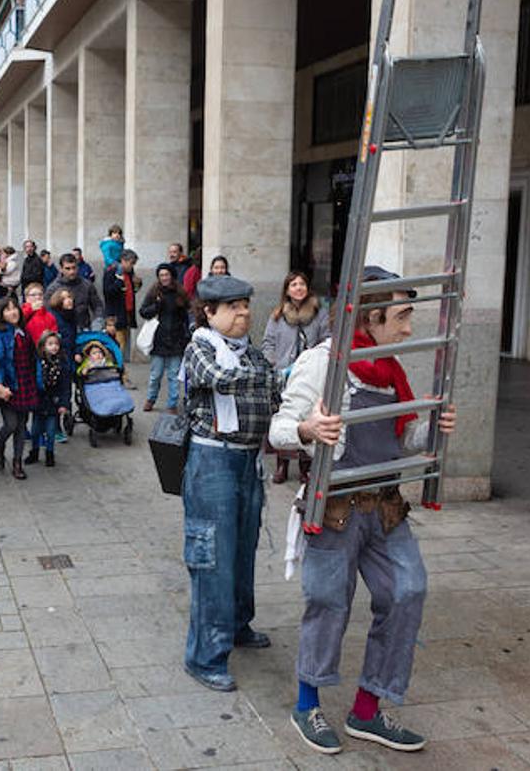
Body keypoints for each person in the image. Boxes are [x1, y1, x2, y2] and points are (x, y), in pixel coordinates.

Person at [271, 266, 456, 756]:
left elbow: (403, 438)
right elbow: (279, 429)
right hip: (334, 511)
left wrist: (436, 427)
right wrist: (308, 431)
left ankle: (368, 710)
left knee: (408, 590)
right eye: (401, 316)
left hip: (386, 509)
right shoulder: (322, 364)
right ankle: (306, 703)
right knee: (328, 603)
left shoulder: (390, 367)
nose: (408, 327)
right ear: (372, 315)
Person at [178, 274, 280, 693]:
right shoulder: (199, 347)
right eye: (234, 307)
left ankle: (239, 625)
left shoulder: (251, 352)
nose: (243, 313)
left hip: (247, 462)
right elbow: (221, 378)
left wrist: (273, 380)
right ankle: (205, 656)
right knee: (213, 559)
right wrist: (273, 378)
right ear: (210, 312)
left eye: (245, 305)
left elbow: (273, 394)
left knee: (242, 552)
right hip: (212, 462)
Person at [261, 271, 331, 484]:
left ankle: (305, 467)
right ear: (287, 290)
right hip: (284, 374)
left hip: (310, 373)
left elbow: (327, 338)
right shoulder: (277, 315)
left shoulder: (320, 313)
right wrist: (273, 362)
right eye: (294, 285)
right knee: (285, 417)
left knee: (307, 417)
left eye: (302, 284)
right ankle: (282, 465)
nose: (298, 288)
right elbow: (268, 343)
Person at [0, 297, 40, 480]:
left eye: (15, 308)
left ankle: (17, 462)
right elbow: (0, 362)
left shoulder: (24, 332)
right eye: (7, 310)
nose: (13, 312)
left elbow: (32, 359)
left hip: (26, 382)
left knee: (21, 425)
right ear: (1, 314)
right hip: (9, 385)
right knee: (11, 424)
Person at [139, 264, 190, 413]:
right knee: (156, 374)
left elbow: (186, 316)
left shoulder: (180, 293)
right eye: (161, 275)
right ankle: (150, 399)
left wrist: (187, 336)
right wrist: (156, 306)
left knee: (174, 376)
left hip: (176, 339)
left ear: (172, 276)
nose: (164, 278)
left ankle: (172, 404)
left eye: (166, 275)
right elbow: (143, 312)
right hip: (158, 339)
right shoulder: (154, 292)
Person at [26, 330, 71, 468]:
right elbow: (32, 380)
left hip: (54, 402)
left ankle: (50, 454)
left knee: (51, 431)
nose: (54, 347)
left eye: (56, 344)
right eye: (50, 344)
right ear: (43, 346)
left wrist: (64, 403)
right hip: (38, 401)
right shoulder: (37, 361)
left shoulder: (62, 364)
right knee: (35, 430)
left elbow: (65, 386)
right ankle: (34, 451)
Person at [102, 249, 140, 368]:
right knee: (117, 347)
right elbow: (107, 292)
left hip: (126, 314)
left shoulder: (129, 273)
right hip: (115, 315)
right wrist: (119, 282)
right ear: (123, 261)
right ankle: (117, 374)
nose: (132, 266)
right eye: (131, 263)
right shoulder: (111, 272)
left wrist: (137, 284)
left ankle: (121, 373)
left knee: (122, 347)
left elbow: (130, 292)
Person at [45, 254, 102, 330]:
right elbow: (47, 311)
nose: (72, 272)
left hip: (84, 329)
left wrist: (98, 321)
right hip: (62, 331)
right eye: (67, 269)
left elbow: (97, 305)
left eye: (74, 268)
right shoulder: (52, 289)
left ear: (77, 267)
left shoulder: (87, 285)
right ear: (61, 269)